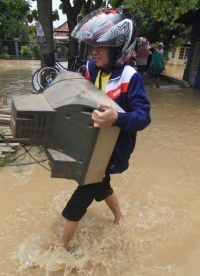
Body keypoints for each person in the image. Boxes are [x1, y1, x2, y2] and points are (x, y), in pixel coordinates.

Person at [61, 7, 151, 250]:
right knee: (101, 185)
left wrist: (117, 118)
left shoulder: (130, 77)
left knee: (79, 199)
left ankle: (60, 250)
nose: (95, 51)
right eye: (93, 46)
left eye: (101, 46)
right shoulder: (89, 69)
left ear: (118, 49)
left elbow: (143, 118)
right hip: (89, 143)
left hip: (110, 150)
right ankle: (119, 217)